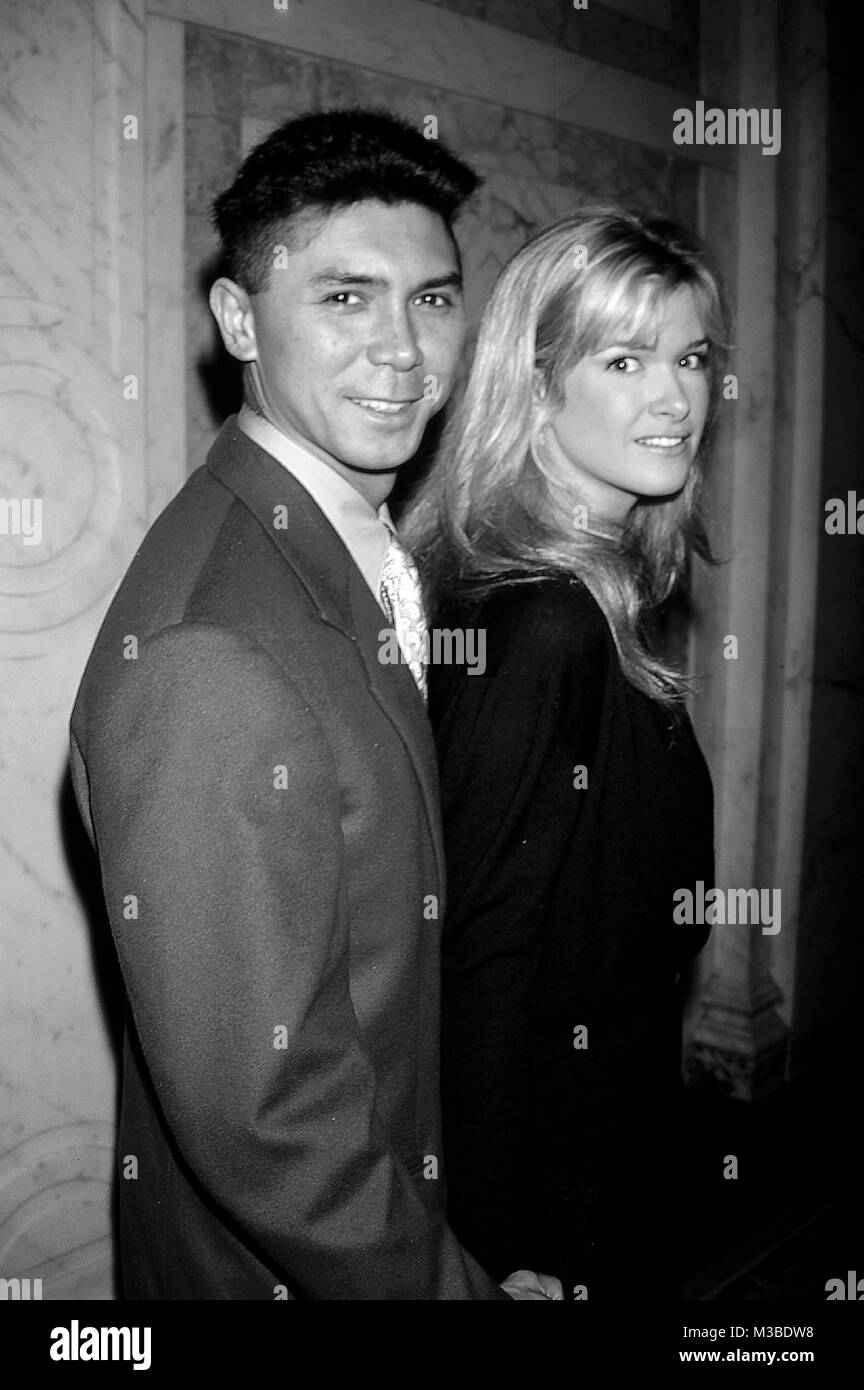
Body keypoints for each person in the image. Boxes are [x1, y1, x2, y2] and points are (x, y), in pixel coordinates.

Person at [69, 108, 561, 1300]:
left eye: (433, 300)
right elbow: (268, 1118)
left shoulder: (342, 536)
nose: (404, 351)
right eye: (345, 297)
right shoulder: (213, 648)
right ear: (240, 319)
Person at [402, 207, 722, 1300]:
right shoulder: (544, 624)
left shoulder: (588, 589)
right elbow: (474, 955)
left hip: (609, 1117)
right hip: (552, 1179)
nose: (676, 396)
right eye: (625, 360)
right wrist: (494, 1248)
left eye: (689, 357)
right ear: (537, 387)